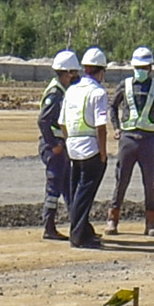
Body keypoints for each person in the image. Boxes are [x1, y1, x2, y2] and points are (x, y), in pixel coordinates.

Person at [58, 53, 119, 242]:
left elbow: (62, 123)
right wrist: (102, 153)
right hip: (91, 149)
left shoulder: (71, 91)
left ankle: (84, 231)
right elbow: (101, 127)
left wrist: (69, 143)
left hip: (73, 148)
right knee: (84, 195)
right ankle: (78, 236)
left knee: (77, 191)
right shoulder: (98, 93)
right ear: (101, 72)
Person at [112, 47, 154, 237]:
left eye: (144, 66)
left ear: (151, 67)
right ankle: (112, 220)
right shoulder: (125, 85)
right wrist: (116, 128)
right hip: (127, 139)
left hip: (149, 140)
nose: (141, 70)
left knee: (149, 183)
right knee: (122, 180)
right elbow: (112, 106)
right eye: (138, 67)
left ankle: (150, 223)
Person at [36, 46, 81, 242]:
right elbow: (43, 120)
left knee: (68, 187)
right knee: (54, 188)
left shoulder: (61, 90)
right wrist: (54, 143)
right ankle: (49, 227)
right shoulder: (55, 94)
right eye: (74, 72)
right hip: (54, 148)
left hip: (60, 146)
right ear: (68, 72)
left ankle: (78, 226)